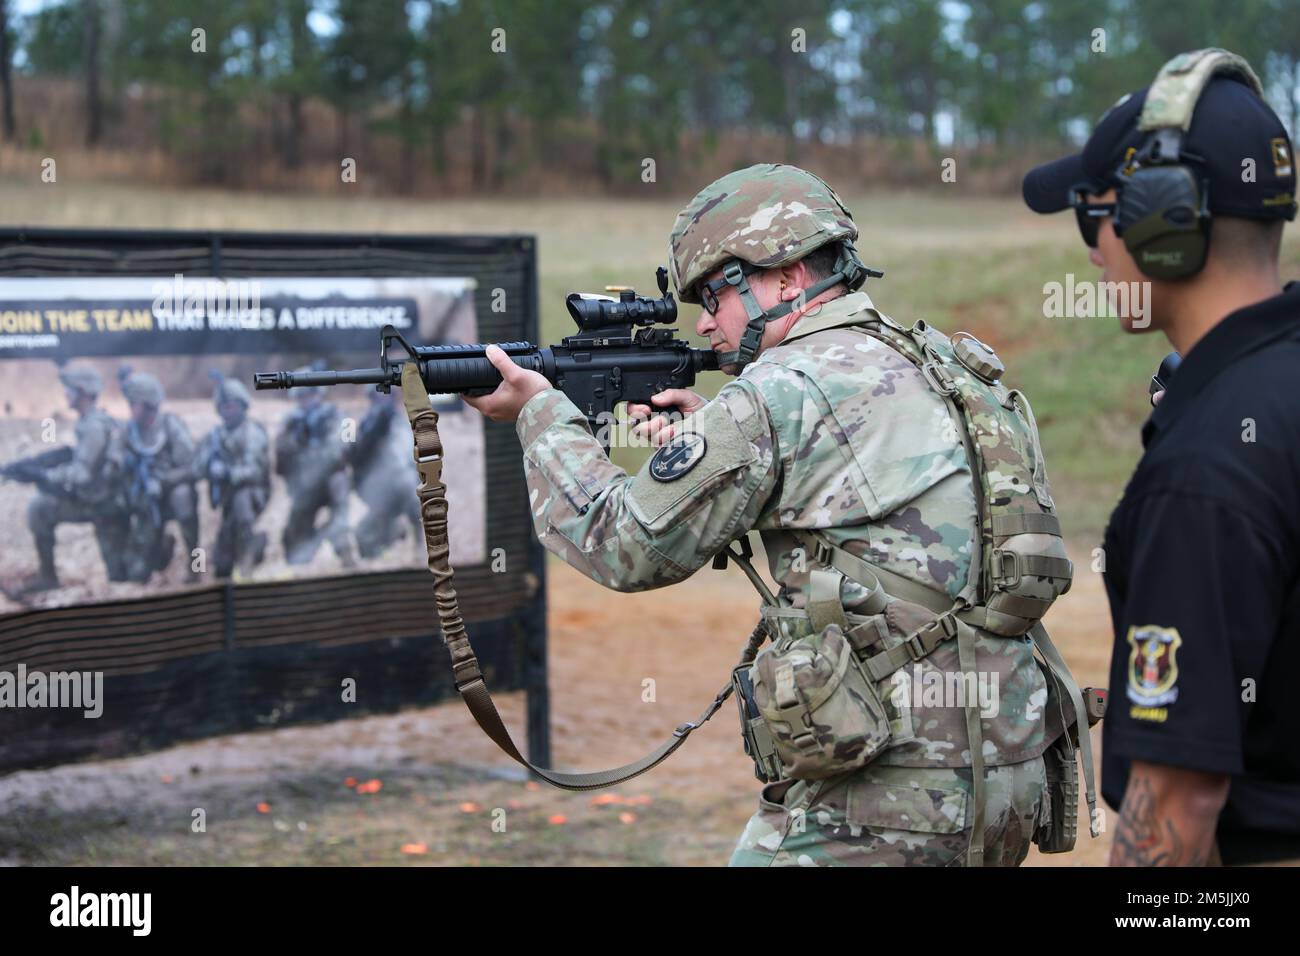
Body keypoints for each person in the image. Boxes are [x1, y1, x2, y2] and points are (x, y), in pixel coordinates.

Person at [465, 163, 1090, 867]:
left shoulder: (779, 388)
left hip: (885, 801)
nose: (703, 321)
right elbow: (882, 506)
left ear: (786, 277)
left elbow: (623, 542)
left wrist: (541, 416)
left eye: (714, 293)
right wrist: (716, 437)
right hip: (1004, 777)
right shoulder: (946, 364)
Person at [1022, 48, 1300, 866]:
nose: (1090, 251)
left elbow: (1176, 808)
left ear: (1163, 216)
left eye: (1093, 215)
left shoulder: (1209, 469)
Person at [9, 363, 128, 594]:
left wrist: (45, 475)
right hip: (96, 500)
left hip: (103, 506)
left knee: (124, 575)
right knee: (40, 508)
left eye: (69, 389)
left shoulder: (94, 426)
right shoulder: (89, 421)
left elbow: (82, 475)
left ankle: (159, 548)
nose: (65, 394)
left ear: (82, 392)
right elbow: (78, 459)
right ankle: (47, 575)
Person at [117, 370, 200, 583]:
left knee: (183, 497)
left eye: (134, 403)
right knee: (139, 574)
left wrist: (163, 481)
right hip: (146, 501)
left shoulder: (171, 426)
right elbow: (114, 462)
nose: (130, 408)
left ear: (147, 405)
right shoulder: (128, 432)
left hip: (172, 492)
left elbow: (193, 468)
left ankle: (195, 564)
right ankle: (161, 549)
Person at [274, 371, 356, 567]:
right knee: (296, 532)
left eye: (310, 394)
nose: (306, 400)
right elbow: (281, 456)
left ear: (319, 394)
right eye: (301, 396)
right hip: (305, 482)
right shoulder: (290, 421)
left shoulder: (337, 415)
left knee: (340, 517)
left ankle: (344, 552)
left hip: (332, 479)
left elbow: (348, 445)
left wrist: (320, 453)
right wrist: (294, 443)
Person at [196, 376, 270, 579]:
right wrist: (209, 465)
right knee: (222, 559)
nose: (226, 412)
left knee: (243, 510)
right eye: (222, 407)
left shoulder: (252, 432)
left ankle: (248, 560)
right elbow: (197, 467)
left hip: (252, 493)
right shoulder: (215, 436)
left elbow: (254, 470)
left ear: (242, 406)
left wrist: (228, 473)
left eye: (230, 406)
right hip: (227, 500)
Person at [346, 387, 421, 559]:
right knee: (364, 541)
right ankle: (393, 531)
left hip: (402, 488)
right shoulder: (364, 423)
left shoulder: (404, 424)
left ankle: (418, 546)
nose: (381, 400)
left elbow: (413, 459)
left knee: (413, 496)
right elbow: (353, 453)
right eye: (377, 396)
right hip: (377, 491)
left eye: (385, 395)